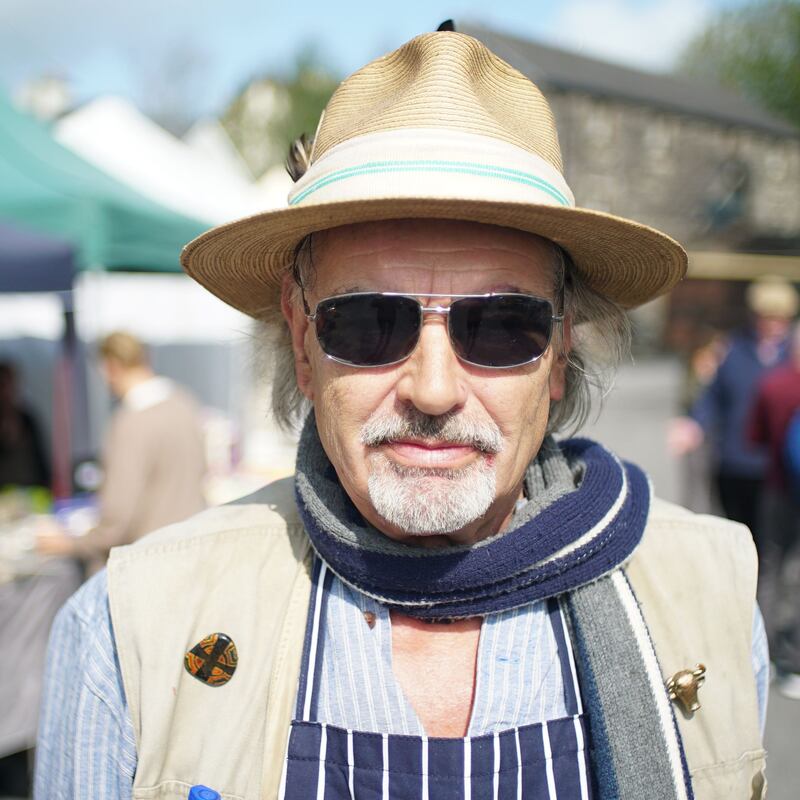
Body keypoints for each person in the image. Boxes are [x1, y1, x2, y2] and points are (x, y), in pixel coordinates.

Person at [35, 31, 767, 799]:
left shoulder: (712, 599)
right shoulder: (129, 633)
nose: (434, 388)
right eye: (368, 323)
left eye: (500, 325)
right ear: (301, 342)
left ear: (558, 355)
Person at [36, 331, 207, 574]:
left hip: (147, 560)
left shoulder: (132, 423)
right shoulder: (184, 404)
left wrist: (72, 544)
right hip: (189, 547)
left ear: (111, 367)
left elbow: (118, 515)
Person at [674, 276, 798, 542]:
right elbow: (713, 396)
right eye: (767, 317)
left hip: (779, 468)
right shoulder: (733, 348)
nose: (773, 324)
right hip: (734, 460)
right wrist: (694, 424)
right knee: (735, 533)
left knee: (774, 541)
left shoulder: (794, 355)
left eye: (780, 318)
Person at [748, 321, 800, 698]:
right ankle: (794, 656)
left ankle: (760, 650)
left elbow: (755, 438)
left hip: (778, 490)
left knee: (770, 567)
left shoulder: (773, 385)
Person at [0, 360, 50, 489]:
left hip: (32, 495)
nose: (7, 391)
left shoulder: (28, 419)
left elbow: (41, 460)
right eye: (3, 385)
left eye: (10, 384)